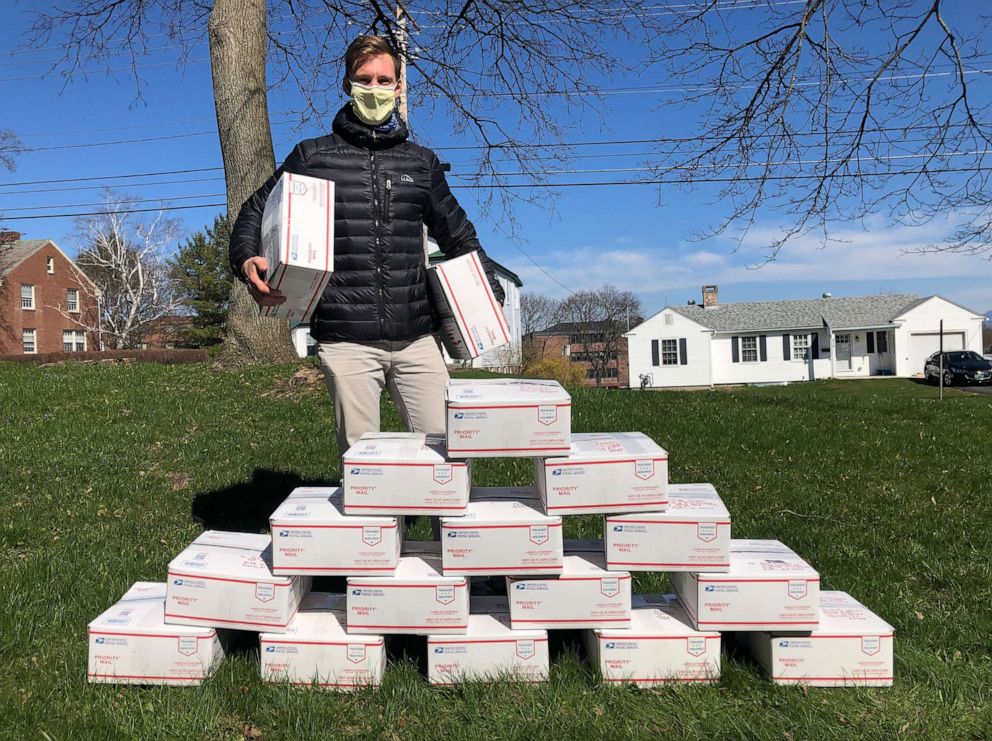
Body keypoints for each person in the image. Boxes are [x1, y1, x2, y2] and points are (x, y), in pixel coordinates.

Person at [229, 35, 506, 458]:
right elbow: (255, 209)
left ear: (398, 87)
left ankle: (439, 526)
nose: (374, 89)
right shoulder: (312, 157)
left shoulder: (421, 162)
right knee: (364, 469)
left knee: (446, 460)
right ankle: (379, 527)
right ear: (347, 85)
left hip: (417, 338)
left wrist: (489, 293)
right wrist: (247, 258)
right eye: (364, 80)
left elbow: (459, 236)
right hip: (346, 340)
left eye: (384, 80)